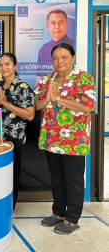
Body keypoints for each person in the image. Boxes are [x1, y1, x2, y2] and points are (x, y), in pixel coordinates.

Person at [35, 43, 95, 235]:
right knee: (57, 178)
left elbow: (87, 106)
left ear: (73, 57)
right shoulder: (47, 79)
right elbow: (36, 105)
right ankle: (58, 213)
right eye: (55, 58)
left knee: (73, 180)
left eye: (64, 57)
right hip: (51, 138)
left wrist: (58, 99)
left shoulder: (83, 78)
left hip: (73, 141)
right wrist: (47, 99)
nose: (59, 61)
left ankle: (72, 219)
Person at [0, 53, 35, 210]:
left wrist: (5, 103)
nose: (4, 67)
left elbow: (30, 115)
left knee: (12, 175)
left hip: (14, 138)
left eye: (7, 64)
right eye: (1, 65)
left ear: (15, 66)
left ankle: (10, 209)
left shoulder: (24, 88)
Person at [36, 9, 75, 84]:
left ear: (67, 24)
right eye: (53, 23)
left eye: (61, 23)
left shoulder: (74, 45)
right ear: (47, 26)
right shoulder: (43, 49)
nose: (57, 27)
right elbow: (39, 78)